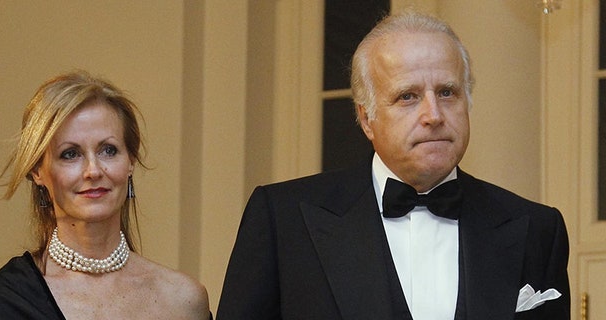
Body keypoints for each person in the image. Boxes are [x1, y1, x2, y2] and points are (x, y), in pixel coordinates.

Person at [217, 10, 570, 320]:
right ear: (366, 118)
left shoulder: (538, 229)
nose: (433, 115)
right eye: (408, 96)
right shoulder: (283, 220)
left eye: (447, 92)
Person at [0, 71, 211, 319]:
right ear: (37, 170)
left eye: (108, 150)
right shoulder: (1, 304)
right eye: (70, 154)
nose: (93, 171)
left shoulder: (184, 302)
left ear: (131, 161)